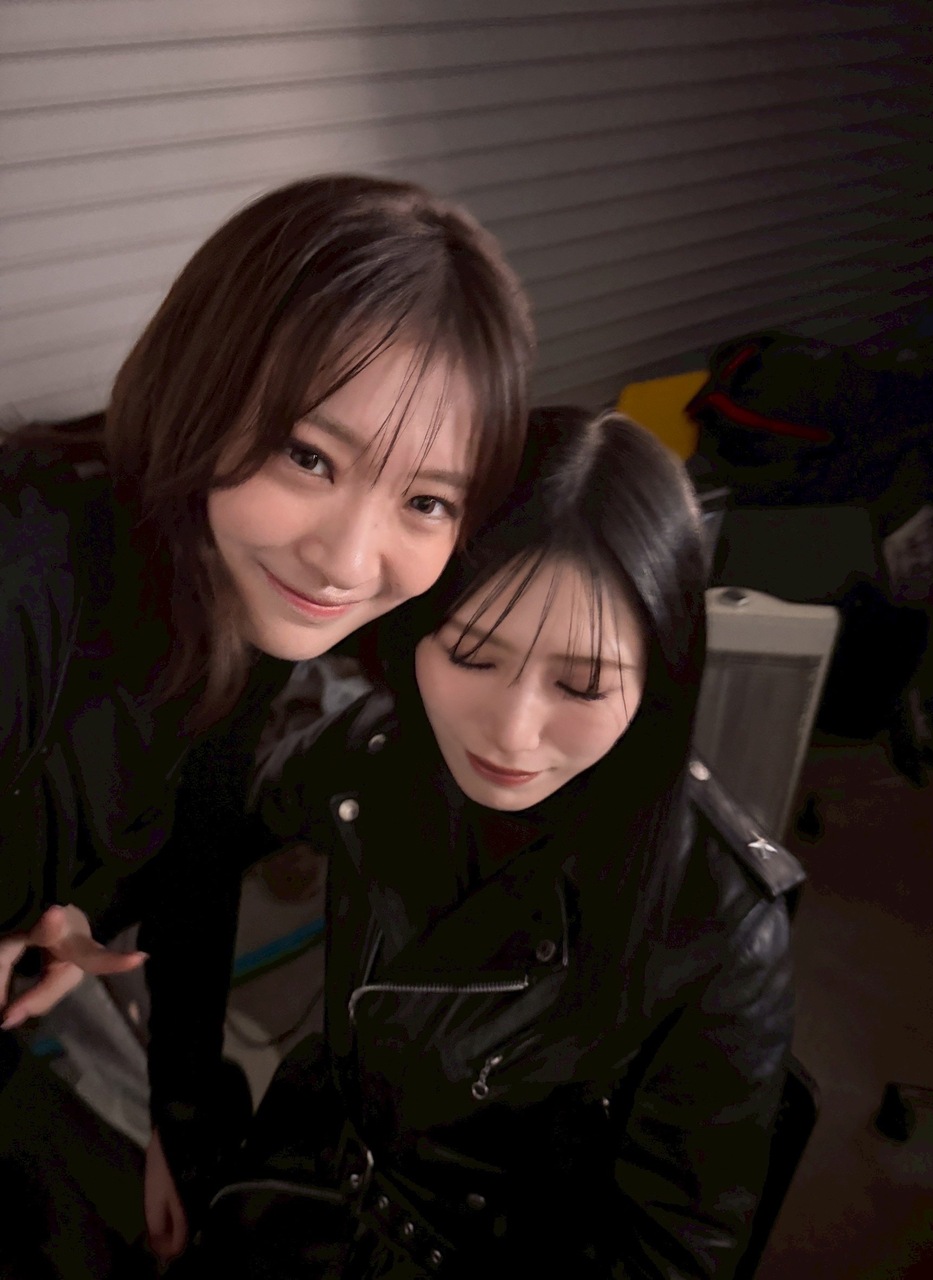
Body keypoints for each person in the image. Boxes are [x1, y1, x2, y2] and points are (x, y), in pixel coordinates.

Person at [0, 173, 533, 1276]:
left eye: (425, 501)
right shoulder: (26, 577)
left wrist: (179, 1120)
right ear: (202, 385)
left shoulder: (236, 595)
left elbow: (194, 862)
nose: (345, 560)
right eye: (309, 456)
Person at [177, 406, 802, 1278]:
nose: (510, 735)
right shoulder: (382, 745)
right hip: (297, 1181)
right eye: (471, 656)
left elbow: (671, 1253)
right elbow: (199, 833)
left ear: (660, 684)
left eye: (581, 686)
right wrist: (60, 916)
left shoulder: (723, 925)